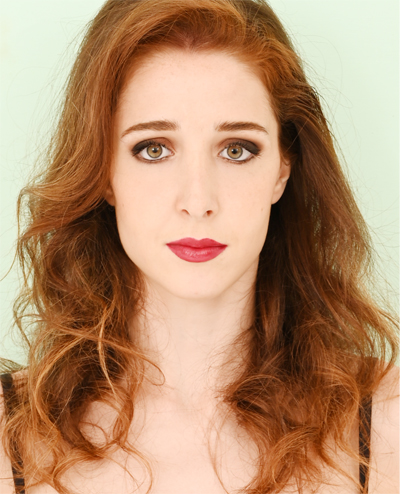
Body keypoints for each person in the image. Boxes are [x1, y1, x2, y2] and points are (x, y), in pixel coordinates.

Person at [0, 0, 398, 493]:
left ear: (282, 168)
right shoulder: (9, 437)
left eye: (236, 149)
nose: (197, 202)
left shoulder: (387, 422)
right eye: (153, 149)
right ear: (103, 171)